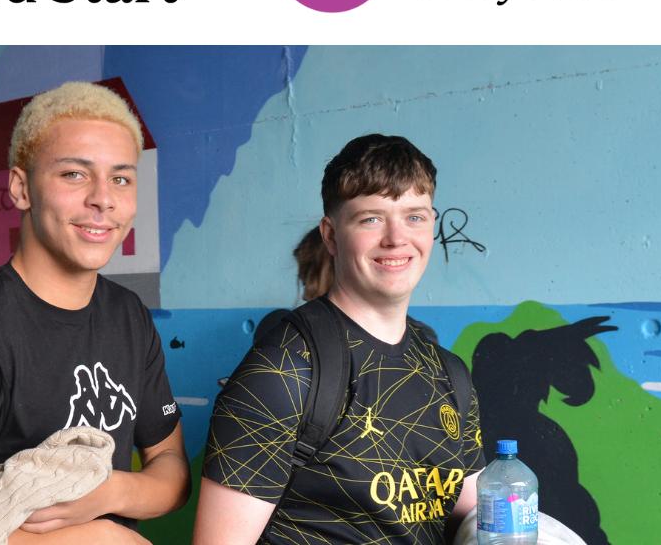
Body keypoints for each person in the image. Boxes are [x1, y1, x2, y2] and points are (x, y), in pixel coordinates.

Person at [0, 82, 189, 545]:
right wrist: (101, 541)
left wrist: (107, 491)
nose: (103, 199)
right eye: (74, 174)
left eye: (120, 178)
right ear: (21, 188)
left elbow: (172, 474)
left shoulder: (129, 316)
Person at [195, 134, 486, 544]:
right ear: (330, 235)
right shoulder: (283, 370)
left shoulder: (450, 374)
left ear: (432, 226)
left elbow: (475, 521)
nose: (396, 238)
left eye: (414, 217)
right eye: (371, 218)